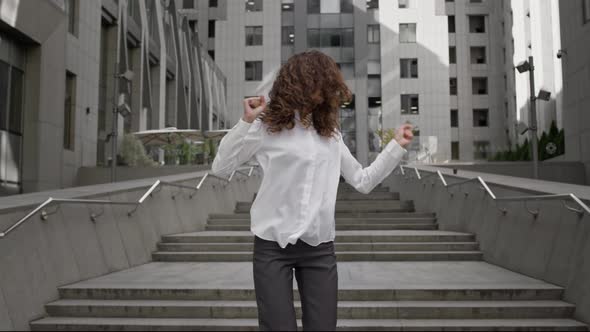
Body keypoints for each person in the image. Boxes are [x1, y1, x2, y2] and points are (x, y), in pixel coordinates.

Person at [211, 50, 413, 331]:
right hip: (273, 248)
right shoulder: (266, 126)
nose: (326, 90)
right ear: (301, 82)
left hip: (319, 250)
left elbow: (363, 180)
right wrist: (246, 121)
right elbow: (220, 167)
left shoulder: (329, 134)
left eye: (329, 84)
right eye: (321, 81)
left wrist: (396, 147)